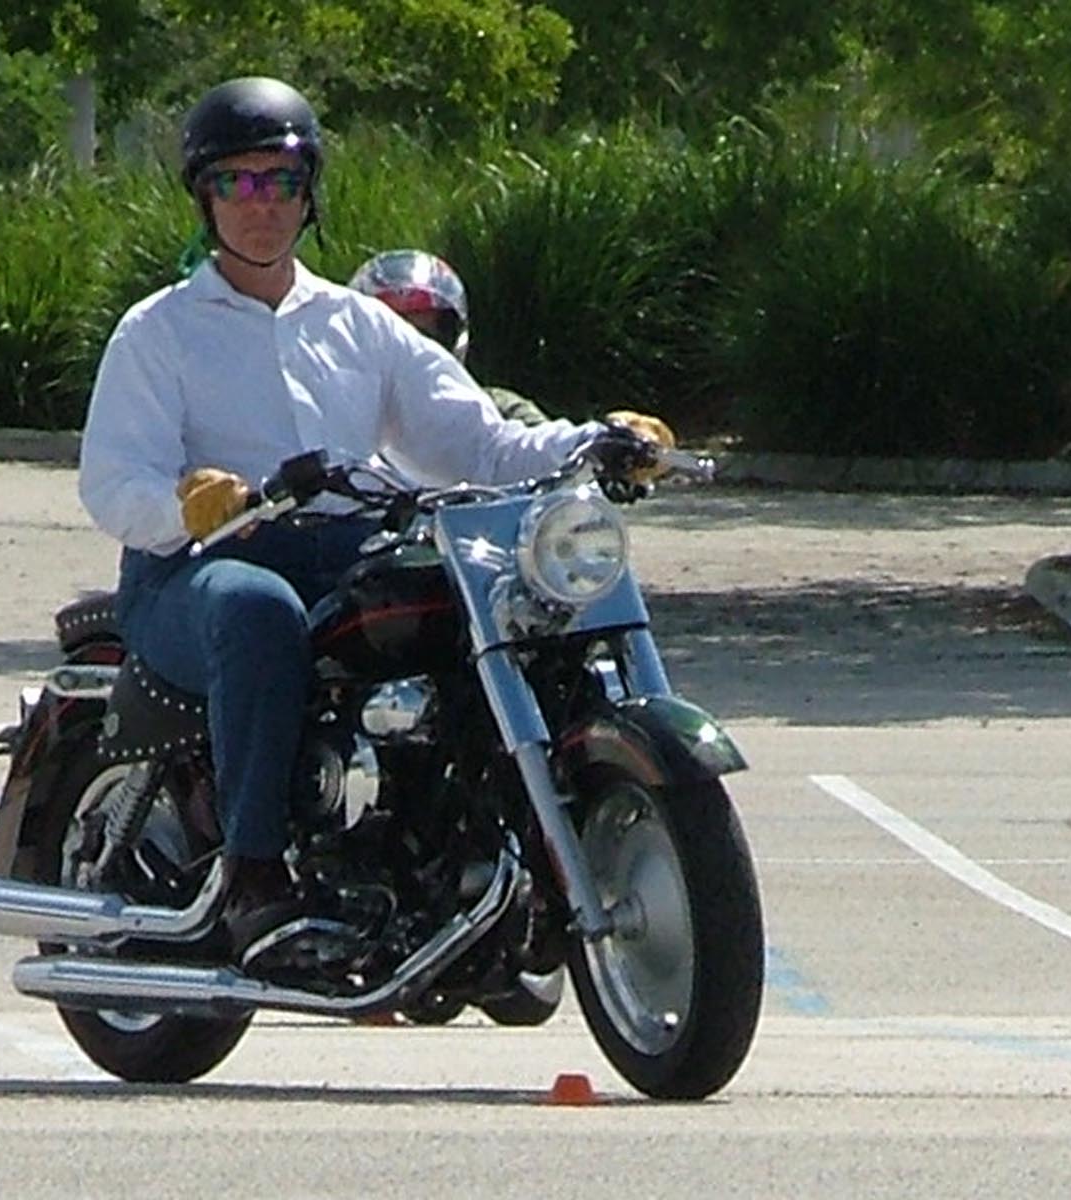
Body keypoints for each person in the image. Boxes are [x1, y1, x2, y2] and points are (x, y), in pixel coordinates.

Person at [77, 75, 676, 959]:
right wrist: (189, 504)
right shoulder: (158, 331)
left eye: (281, 181)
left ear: (309, 193)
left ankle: (461, 843)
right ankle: (253, 872)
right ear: (205, 196)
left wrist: (598, 440)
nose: (261, 204)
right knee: (256, 610)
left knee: (470, 597)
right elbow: (110, 483)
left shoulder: (358, 324)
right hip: (195, 568)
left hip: (342, 552)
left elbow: (481, 443)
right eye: (238, 182)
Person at [348, 249, 549, 425]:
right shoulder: (339, 421)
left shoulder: (499, 412)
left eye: (423, 338)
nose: (407, 352)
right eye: (389, 340)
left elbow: (551, 447)